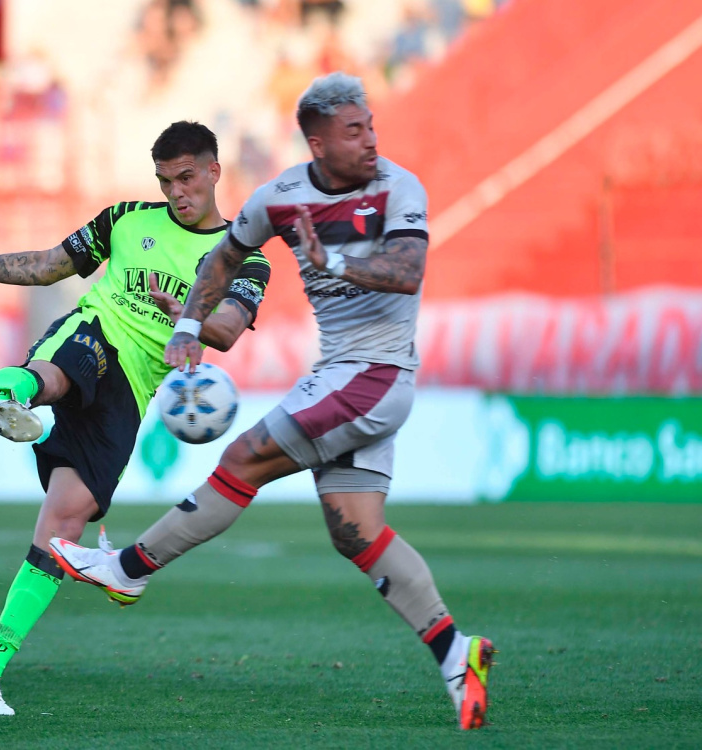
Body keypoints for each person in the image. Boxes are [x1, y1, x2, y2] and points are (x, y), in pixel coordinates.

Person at [49, 73, 495, 731]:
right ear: (317, 143)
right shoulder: (281, 198)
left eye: (370, 126)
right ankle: (458, 655)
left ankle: (128, 567)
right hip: (340, 376)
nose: (370, 139)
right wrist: (188, 323)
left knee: (244, 459)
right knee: (355, 532)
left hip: (374, 375)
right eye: (354, 130)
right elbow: (223, 259)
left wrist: (334, 263)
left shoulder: (399, 188)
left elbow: (408, 272)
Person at [0, 121, 271, 715]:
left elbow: (227, 329)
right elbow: (47, 265)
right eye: (165, 181)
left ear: (214, 171)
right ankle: (4, 397)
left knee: (62, 528)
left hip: (132, 394)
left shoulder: (243, 257)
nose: (176, 192)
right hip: (97, 333)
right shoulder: (125, 219)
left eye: (186, 178)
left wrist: (191, 316)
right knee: (63, 367)